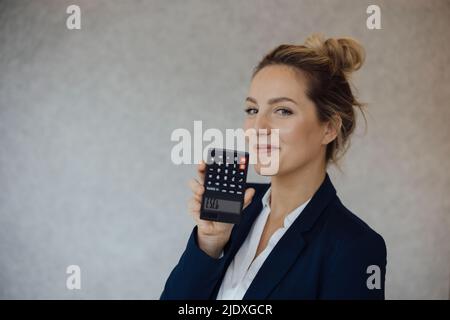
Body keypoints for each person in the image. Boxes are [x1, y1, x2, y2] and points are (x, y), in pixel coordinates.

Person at [161, 34, 387, 300]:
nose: (258, 128)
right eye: (252, 110)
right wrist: (210, 243)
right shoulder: (236, 208)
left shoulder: (355, 246)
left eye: (282, 111)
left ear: (329, 128)